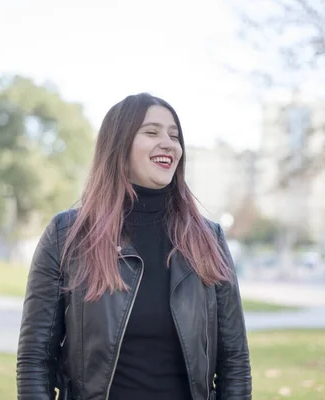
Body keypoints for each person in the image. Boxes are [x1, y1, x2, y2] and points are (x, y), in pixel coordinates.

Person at [16, 93, 252, 400]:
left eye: (174, 135)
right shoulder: (67, 235)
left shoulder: (210, 239)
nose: (169, 143)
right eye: (152, 132)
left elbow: (234, 361)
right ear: (119, 145)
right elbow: (35, 358)